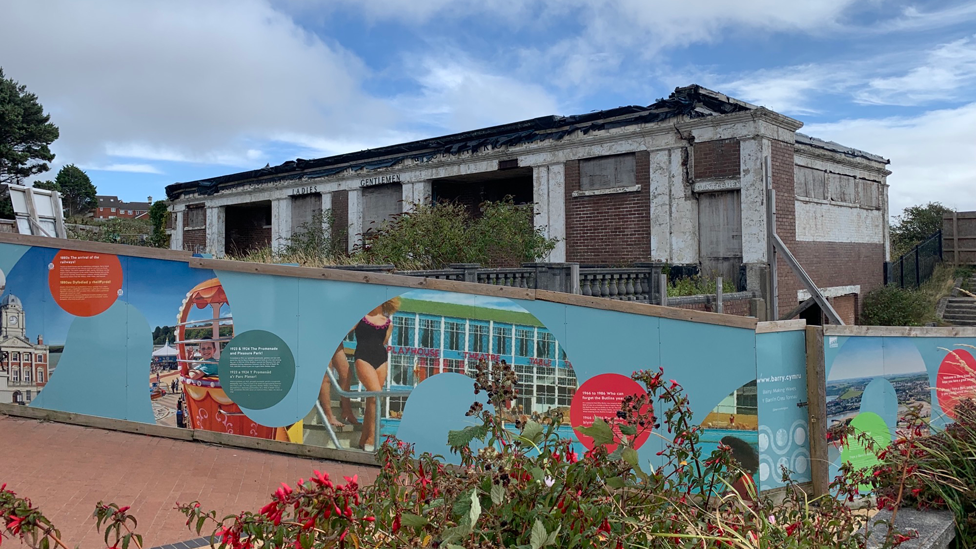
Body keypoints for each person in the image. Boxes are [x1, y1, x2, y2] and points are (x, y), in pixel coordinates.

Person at [353, 298, 399, 451]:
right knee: (376, 396)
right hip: (362, 357)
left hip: (381, 359)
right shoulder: (360, 318)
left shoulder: (388, 324)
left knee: (372, 400)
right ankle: (372, 438)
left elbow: (383, 343)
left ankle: (363, 439)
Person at [317, 345, 360, 429]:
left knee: (346, 373)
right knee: (326, 375)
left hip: (335, 340)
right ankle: (328, 415)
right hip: (322, 338)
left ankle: (347, 411)